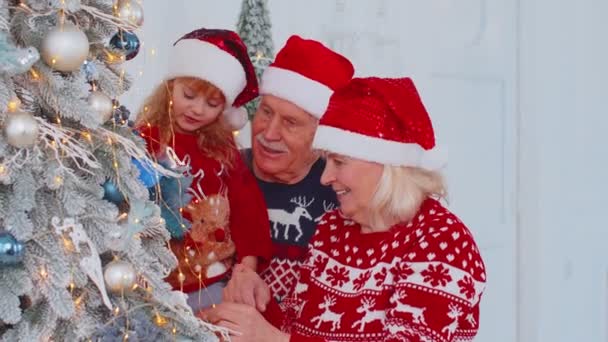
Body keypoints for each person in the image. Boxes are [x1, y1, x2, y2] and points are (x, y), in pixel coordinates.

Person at [203, 77, 487, 341]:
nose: (326, 178)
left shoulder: (441, 242)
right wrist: (260, 304)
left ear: (386, 165)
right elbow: (297, 330)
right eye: (327, 162)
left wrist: (274, 339)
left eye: (339, 162)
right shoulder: (333, 228)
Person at [135, 28, 272, 312]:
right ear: (171, 86)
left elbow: (248, 206)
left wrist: (248, 265)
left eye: (212, 104)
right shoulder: (147, 137)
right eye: (189, 95)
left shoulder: (223, 149)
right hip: (153, 279)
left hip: (211, 278)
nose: (197, 109)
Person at [223, 35, 355, 309]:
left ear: (320, 139)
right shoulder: (220, 171)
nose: (269, 133)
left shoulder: (343, 200)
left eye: (291, 123)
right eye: (266, 112)